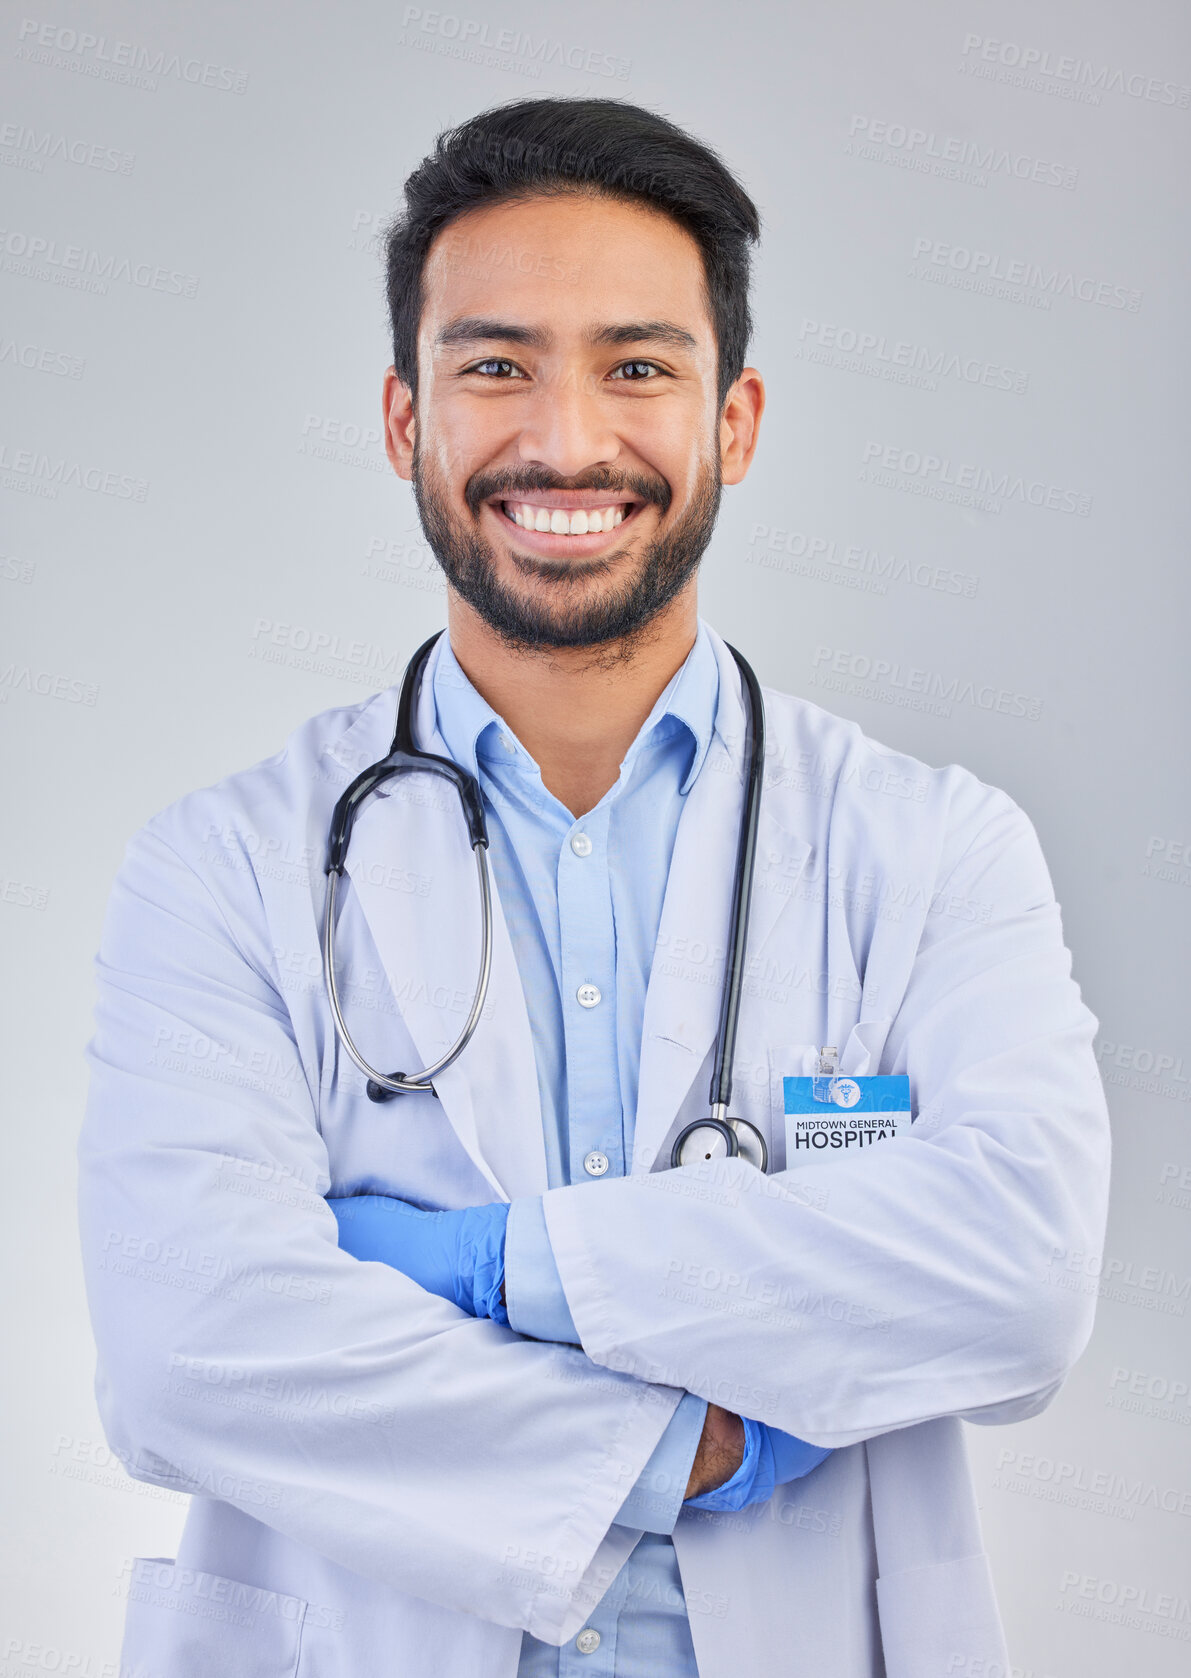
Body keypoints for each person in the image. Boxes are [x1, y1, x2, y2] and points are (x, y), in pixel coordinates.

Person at [78, 97, 1111, 1677]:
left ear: (738, 420)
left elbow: (1020, 1278)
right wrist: (677, 1443)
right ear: (402, 419)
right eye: (494, 365)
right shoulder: (226, 868)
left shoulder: (930, 850)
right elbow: (187, 1347)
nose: (566, 440)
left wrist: (500, 1265)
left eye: (639, 365)